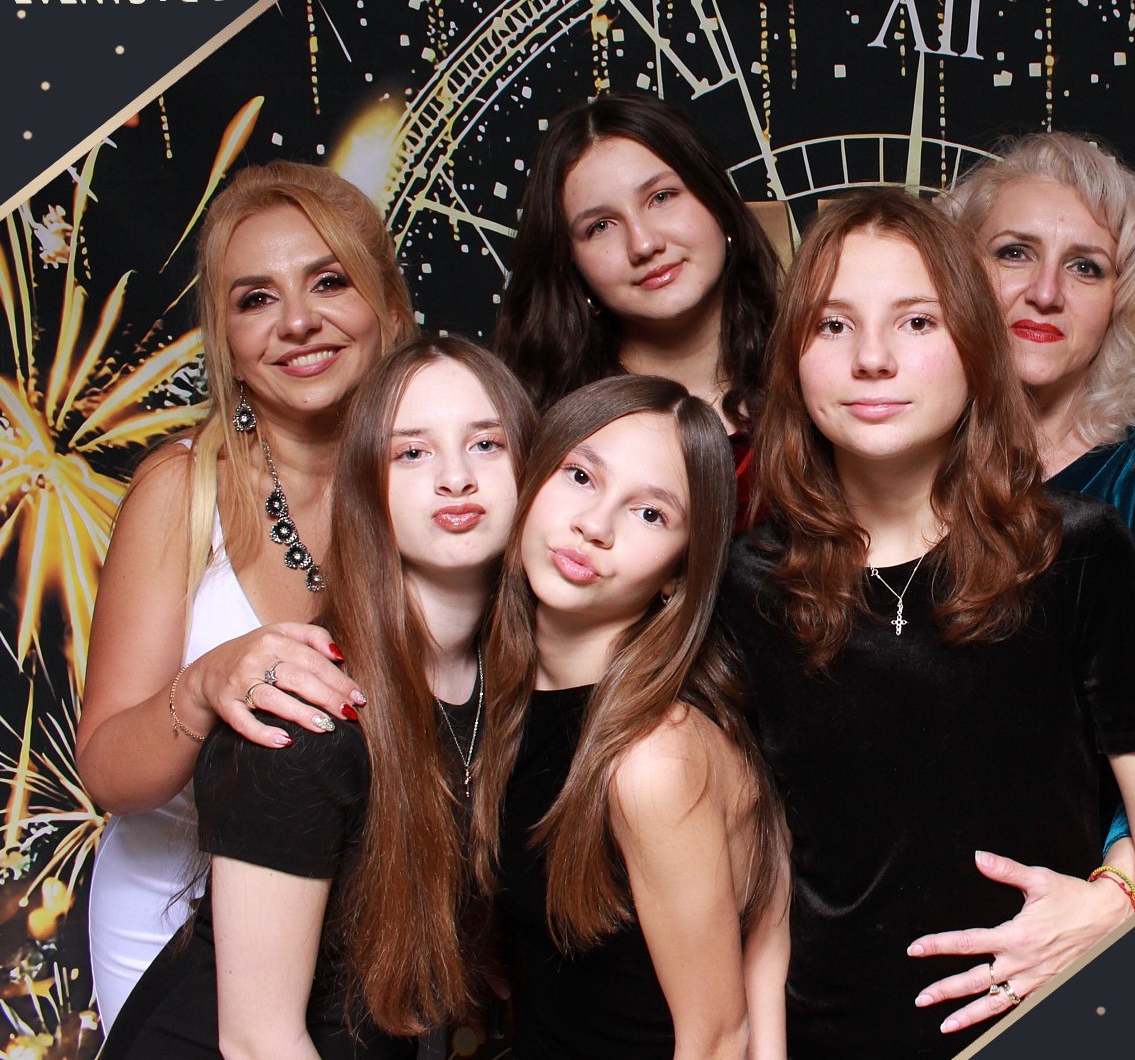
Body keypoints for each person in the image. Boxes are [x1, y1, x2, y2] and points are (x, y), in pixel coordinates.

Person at [724, 190, 1135, 1058]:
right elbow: (754, 873)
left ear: (976, 348)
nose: (873, 359)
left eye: (916, 322)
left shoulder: (1075, 552)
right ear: (793, 357)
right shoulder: (749, 584)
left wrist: (1126, 937)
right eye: (833, 325)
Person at [101, 337, 538, 1056]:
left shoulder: (501, 687)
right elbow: (259, 1040)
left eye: (485, 444)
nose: (456, 478)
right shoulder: (308, 721)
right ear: (365, 490)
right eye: (412, 453)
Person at [75, 162, 414, 1028]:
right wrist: (203, 686)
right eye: (256, 298)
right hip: (175, 924)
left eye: (330, 282)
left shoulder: (443, 484)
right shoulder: (181, 492)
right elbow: (109, 773)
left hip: (370, 927)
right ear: (224, 338)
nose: (297, 321)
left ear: (387, 302)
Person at [470, 376, 788, 1060]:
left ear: (680, 573)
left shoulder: (653, 758)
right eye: (581, 476)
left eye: (650, 514)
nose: (595, 525)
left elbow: (717, 1038)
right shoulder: (499, 697)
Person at [491, 93, 781, 517]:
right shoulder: (537, 432)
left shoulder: (820, 382)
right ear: (572, 264)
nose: (643, 244)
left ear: (716, 201)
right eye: (600, 226)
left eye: (661, 197)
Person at [943, 131, 1135, 594]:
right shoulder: (905, 457)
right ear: (959, 273)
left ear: (1122, 300)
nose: (1045, 293)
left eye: (1085, 267)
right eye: (1014, 253)